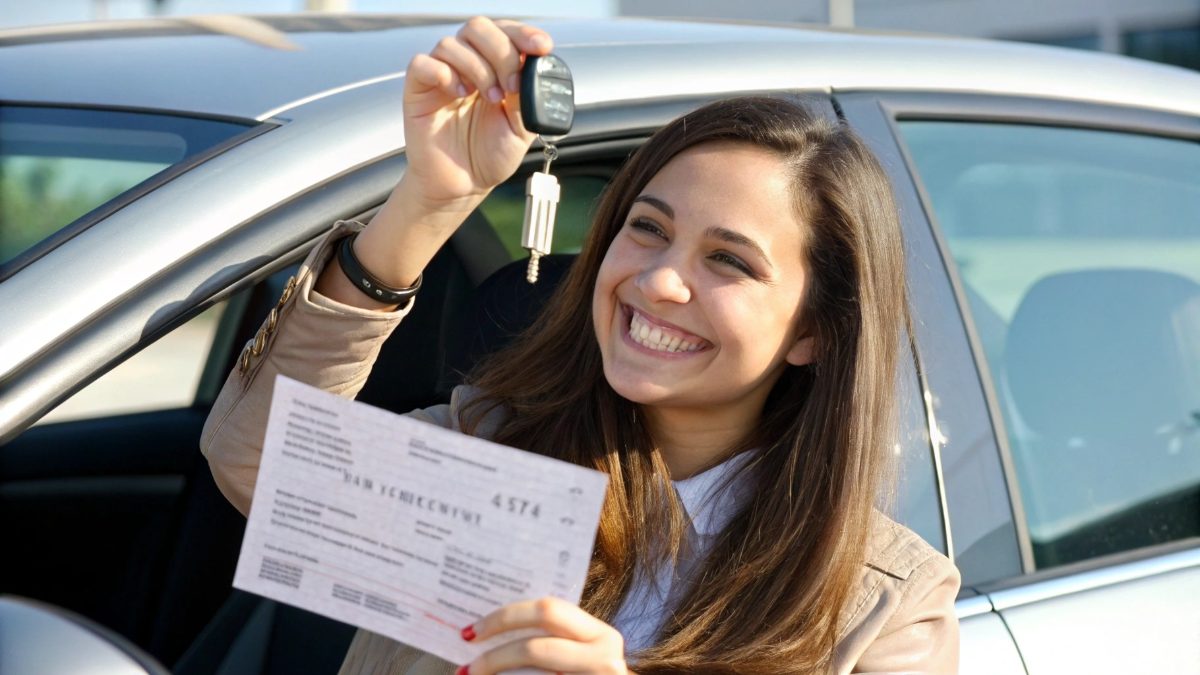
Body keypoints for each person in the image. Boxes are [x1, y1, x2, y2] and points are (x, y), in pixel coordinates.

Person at [201, 16, 960, 675]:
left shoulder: (887, 603)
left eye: (727, 260)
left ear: (813, 332)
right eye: (648, 228)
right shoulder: (494, 461)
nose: (659, 281)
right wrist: (431, 201)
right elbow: (264, 464)